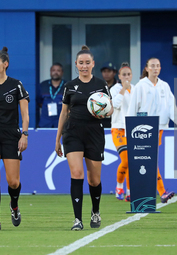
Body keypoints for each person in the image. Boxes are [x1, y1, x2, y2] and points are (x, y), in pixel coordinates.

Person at [55, 45, 113, 231]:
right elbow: (64, 113)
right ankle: (77, 219)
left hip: (94, 133)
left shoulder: (100, 85)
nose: (84, 66)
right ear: (76, 65)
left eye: (87, 63)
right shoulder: (69, 86)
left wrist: (104, 112)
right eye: (81, 63)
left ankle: (95, 211)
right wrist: (57, 139)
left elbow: (110, 108)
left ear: (93, 64)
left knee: (94, 180)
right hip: (72, 133)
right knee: (77, 174)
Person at [0, 47, 30, 230]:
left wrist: (24, 134)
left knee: (13, 182)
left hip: (11, 136)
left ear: (5, 64)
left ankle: (14, 205)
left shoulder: (16, 85)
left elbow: (25, 115)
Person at [127, 57, 177, 203]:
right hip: (143, 128)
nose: (155, 68)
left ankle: (137, 192)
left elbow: (171, 104)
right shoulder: (140, 86)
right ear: (147, 68)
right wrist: (130, 128)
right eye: (152, 66)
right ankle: (160, 191)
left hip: (159, 127)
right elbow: (133, 107)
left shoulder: (164, 86)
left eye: (158, 66)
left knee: (149, 160)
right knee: (148, 160)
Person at [110, 62, 134, 202]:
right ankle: (119, 185)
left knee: (132, 161)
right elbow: (115, 105)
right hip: (118, 128)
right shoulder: (115, 89)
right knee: (126, 159)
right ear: (119, 76)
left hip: (132, 129)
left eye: (128, 74)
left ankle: (130, 192)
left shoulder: (136, 89)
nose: (126, 77)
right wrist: (123, 90)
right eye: (123, 74)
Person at [36, 63, 65, 128]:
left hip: (61, 124)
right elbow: (39, 102)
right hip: (45, 123)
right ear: (50, 72)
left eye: (58, 70)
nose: (55, 72)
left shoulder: (67, 86)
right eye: (53, 70)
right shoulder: (43, 85)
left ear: (62, 72)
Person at [99, 61, 117, 128]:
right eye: (104, 71)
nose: (106, 74)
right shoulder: (98, 86)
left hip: (115, 120)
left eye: (109, 71)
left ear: (114, 72)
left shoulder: (119, 87)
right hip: (101, 120)